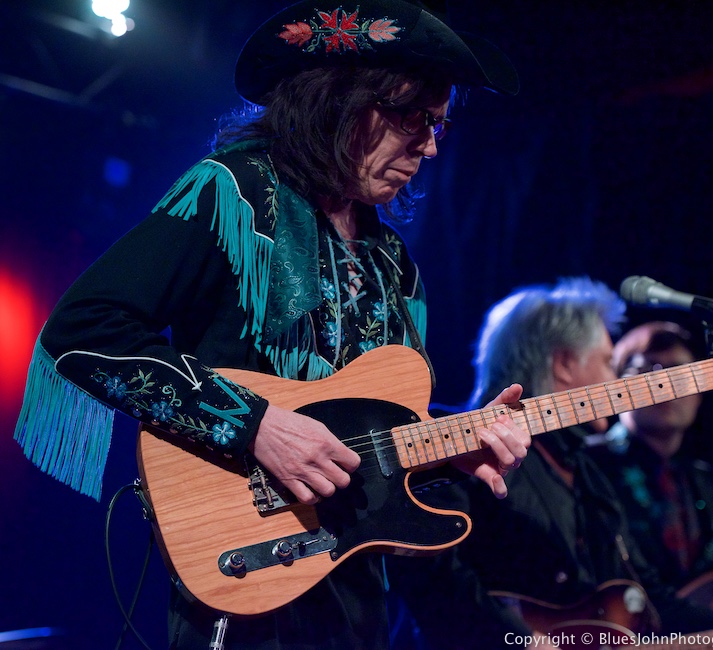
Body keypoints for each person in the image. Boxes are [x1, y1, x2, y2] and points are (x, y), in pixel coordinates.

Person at [12, 1, 531, 648]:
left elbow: (373, 434)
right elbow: (85, 329)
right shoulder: (231, 192)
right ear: (341, 101)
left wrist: (454, 453)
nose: (428, 145)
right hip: (245, 577)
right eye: (412, 117)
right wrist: (255, 425)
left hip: (355, 593)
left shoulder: (391, 261)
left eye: (437, 126)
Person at [390, 278, 713, 649]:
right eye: (609, 362)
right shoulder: (461, 446)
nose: (616, 380)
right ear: (564, 364)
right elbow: (430, 574)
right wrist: (523, 640)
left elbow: (652, 600)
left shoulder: (586, 471)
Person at [588, 321, 713, 607]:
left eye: (681, 373)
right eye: (648, 370)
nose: (665, 385)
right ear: (615, 385)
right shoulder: (586, 465)